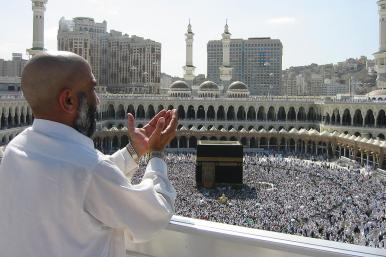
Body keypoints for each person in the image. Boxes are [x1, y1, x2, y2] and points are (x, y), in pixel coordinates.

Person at [0, 51, 178, 257]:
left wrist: (133, 151)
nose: (98, 100)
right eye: (92, 89)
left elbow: (76, 183)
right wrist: (156, 154)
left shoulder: (15, 150)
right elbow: (154, 214)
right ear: (68, 100)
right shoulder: (90, 171)